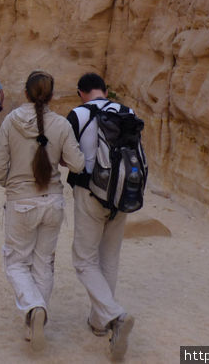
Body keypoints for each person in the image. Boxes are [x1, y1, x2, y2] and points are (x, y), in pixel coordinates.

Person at [0, 71, 85, 352]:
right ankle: (36, 320)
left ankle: (33, 307)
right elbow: (78, 164)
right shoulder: (61, 125)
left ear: (26, 92)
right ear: (52, 95)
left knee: (17, 262)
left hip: (21, 202)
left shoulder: (10, 122)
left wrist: (10, 184)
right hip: (53, 202)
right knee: (44, 262)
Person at [66, 72, 135, 361]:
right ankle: (98, 322)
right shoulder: (127, 111)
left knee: (83, 259)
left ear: (81, 92)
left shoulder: (78, 114)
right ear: (105, 90)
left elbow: (66, 155)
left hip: (90, 192)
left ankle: (114, 315)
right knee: (109, 258)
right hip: (123, 195)